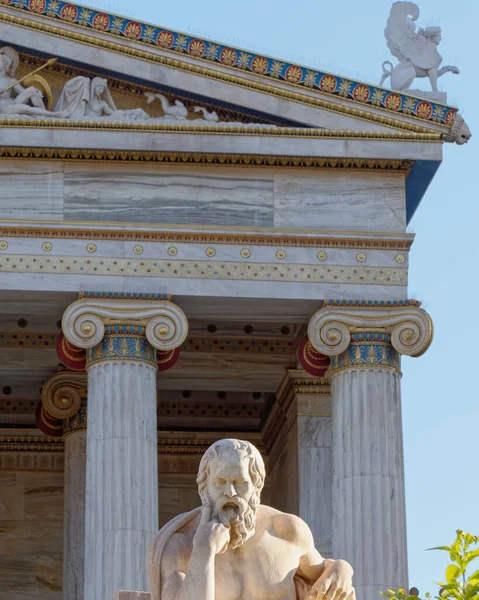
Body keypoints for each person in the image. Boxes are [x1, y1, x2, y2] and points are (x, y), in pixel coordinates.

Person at [148, 439, 355, 600]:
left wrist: (342, 568)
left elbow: (322, 573)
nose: (230, 492)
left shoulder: (287, 531)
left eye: (240, 483)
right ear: (205, 487)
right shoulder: (179, 545)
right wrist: (203, 551)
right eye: (220, 482)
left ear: (256, 487)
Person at [0, 47, 68, 117]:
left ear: (6, 65)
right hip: (3, 107)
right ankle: (53, 114)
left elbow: (23, 91)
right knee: (24, 108)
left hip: (12, 103)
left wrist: (36, 92)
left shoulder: (11, 80)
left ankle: (44, 114)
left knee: (31, 90)